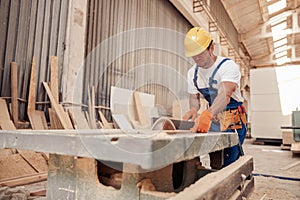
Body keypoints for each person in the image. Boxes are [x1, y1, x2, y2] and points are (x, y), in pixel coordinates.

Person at [182, 27, 247, 167]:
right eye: (194, 55)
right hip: (214, 117)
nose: (197, 58)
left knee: (229, 158)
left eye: (200, 53)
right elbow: (194, 98)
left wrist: (208, 113)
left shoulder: (227, 66)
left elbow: (225, 95)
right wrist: (193, 109)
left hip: (233, 116)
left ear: (211, 48)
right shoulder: (192, 73)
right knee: (215, 155)